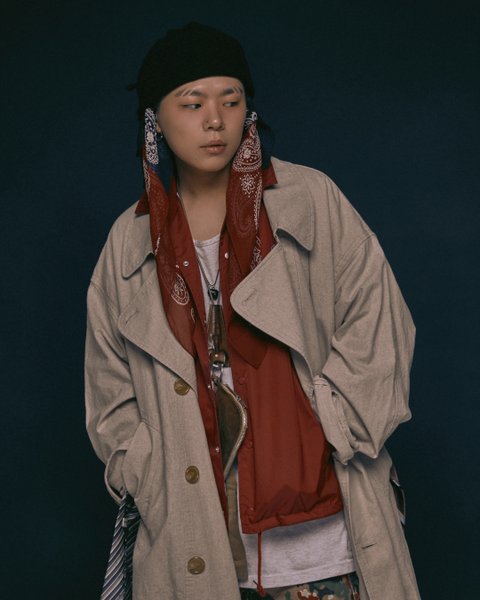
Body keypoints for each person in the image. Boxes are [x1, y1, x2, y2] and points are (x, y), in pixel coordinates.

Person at [85, 22, 420, 600]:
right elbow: (108, 385)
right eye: (192, 103)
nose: (215, 119)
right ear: (155, 120)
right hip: (194, 541)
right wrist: (145, 471)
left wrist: (334, 423)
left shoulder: (309, 199)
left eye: (231, 99)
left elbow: (380, 322)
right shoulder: (129, 241)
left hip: (326, 539)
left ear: (248, 110)